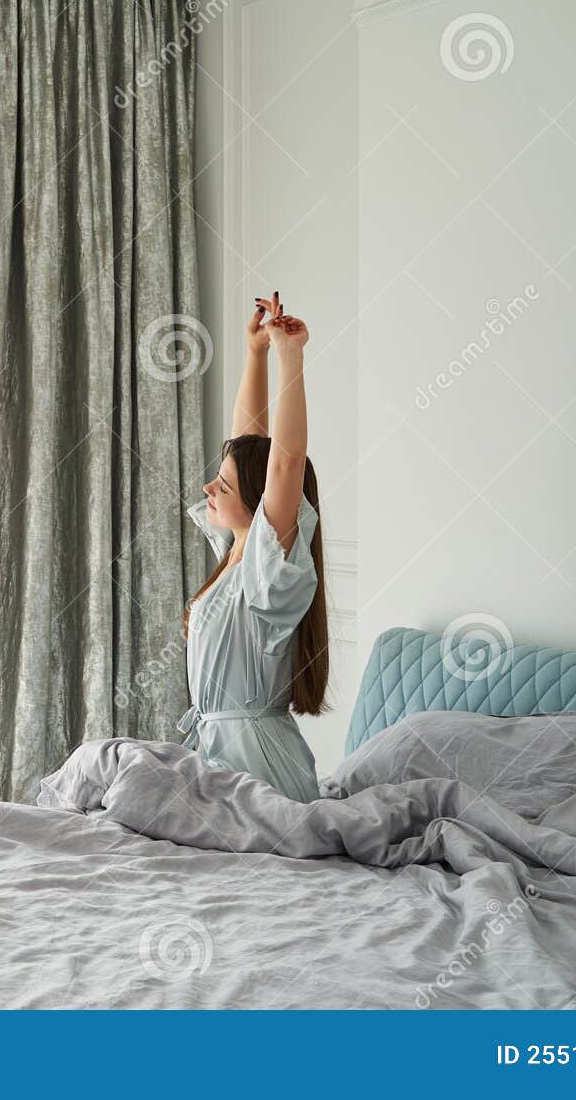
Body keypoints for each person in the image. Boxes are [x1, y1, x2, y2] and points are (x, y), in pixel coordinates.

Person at [180, 292, 330, 801]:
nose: (208, 490)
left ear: (257, 500)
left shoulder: (270, 575)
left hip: (259, 771)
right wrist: (256, 353)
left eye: (221, 487)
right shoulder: (237, 552)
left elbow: (283, 464)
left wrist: (291, 355)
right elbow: (249, 450)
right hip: (221, 758)